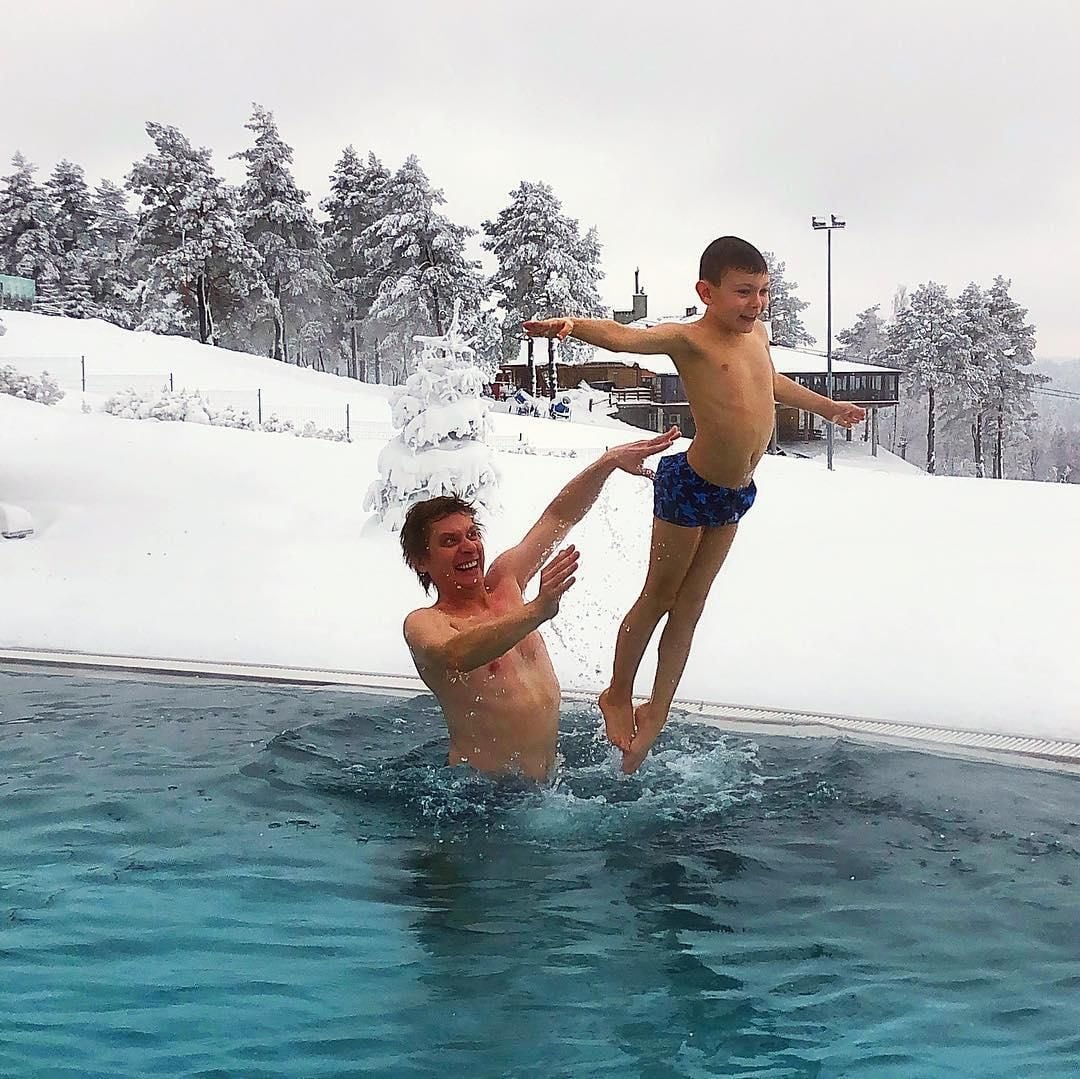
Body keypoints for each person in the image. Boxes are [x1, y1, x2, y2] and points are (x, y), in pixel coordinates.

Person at [524, 236, 866, 773]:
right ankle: (617, 693)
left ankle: (656, 709)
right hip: (690, 485)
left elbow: (770, 381)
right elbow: (624, 337)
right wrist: (574, 326)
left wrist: (827, 408)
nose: (756, 303)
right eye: (743, 292)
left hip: (735, 492)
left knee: (692, 605)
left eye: (763, 291)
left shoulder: (758, 337)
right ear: (707, 292)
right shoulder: (690, 339)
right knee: (660, 596)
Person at [400, 428, 679, 781]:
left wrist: (607, 463)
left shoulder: (506, 581)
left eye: (472, 534)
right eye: (449, 541)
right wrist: (536, 611)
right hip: (483, 796)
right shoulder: (426, 623)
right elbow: (455, 655)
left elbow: (559, 517)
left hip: (549, 788)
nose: (468, 547)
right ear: (421, 562)